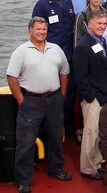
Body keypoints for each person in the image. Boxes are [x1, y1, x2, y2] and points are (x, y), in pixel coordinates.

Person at [6, 18, 72, 193]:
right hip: (31, 101)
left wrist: (62, 94)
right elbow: (11, 77)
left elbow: (64, 72)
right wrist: (21, 100)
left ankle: (56, 169)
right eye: (38, 29)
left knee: (56, 137)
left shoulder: (55, 49)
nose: (42, 32)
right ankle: (23, 180)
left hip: (54, 99)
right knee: (26, 142)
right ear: (30, 31)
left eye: (44, 29)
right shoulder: (21, 51)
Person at [73, 10, 107, 180]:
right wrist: (90, 97)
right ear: (90, 25)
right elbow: (79, 76)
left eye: (104, 24)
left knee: (98, 133)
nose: (102, 27)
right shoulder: (83, 46)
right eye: (99, 24)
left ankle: (96, 162)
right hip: (92, 98)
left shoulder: (101, 41)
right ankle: (88, 167)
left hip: (103, 94)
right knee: (90, 134)